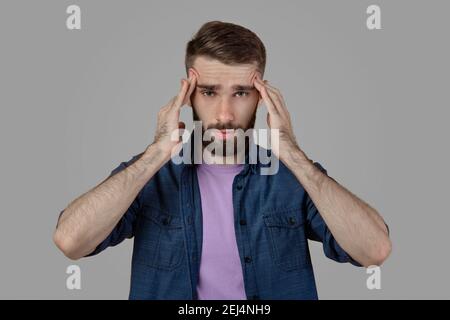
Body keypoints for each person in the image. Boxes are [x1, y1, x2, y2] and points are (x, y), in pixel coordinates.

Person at [54, 21, 391, 300]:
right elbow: (71, 241)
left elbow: (374, 250)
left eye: (241, 93)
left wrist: (291, 151)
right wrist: (156, 152)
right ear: (188, 94)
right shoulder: (151, 174)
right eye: (210, 92)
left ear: (262, 97)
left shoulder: (292, 175)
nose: (225, 114)